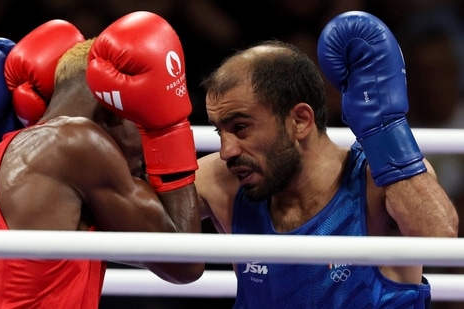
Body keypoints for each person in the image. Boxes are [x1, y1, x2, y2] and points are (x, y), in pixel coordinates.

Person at [0, 12, 204, 309]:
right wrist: (166, 129)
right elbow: (184, 262)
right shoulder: (76, 141)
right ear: (115, 108)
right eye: (142, 123)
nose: (144, 154)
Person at [194, 11, 459, 308]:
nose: (226, 149)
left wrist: (385, 130)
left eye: (240, 127)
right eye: (220, 131)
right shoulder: (223, 179)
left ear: (300, 121)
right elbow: (149, 242)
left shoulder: (375, 179)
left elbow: (440, 240)